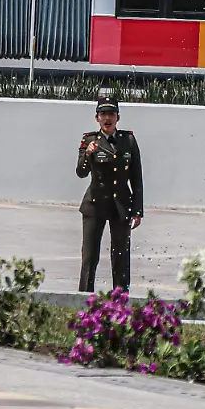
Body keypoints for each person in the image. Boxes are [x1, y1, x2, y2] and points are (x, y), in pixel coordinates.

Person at [76, 92, 143, 293]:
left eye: (111, 114)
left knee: (121, 256)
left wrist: (137, 210)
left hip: (120, 205)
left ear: (118, 118)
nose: (107, 118)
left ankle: (121, 300)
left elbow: (136, 178)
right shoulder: (89, 140)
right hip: (95, 204)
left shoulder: (128, 140)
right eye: (103, 114)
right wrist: (88, 154)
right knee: (90, 256)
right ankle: (84, 298)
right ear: (97, 118)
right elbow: (81, 172)